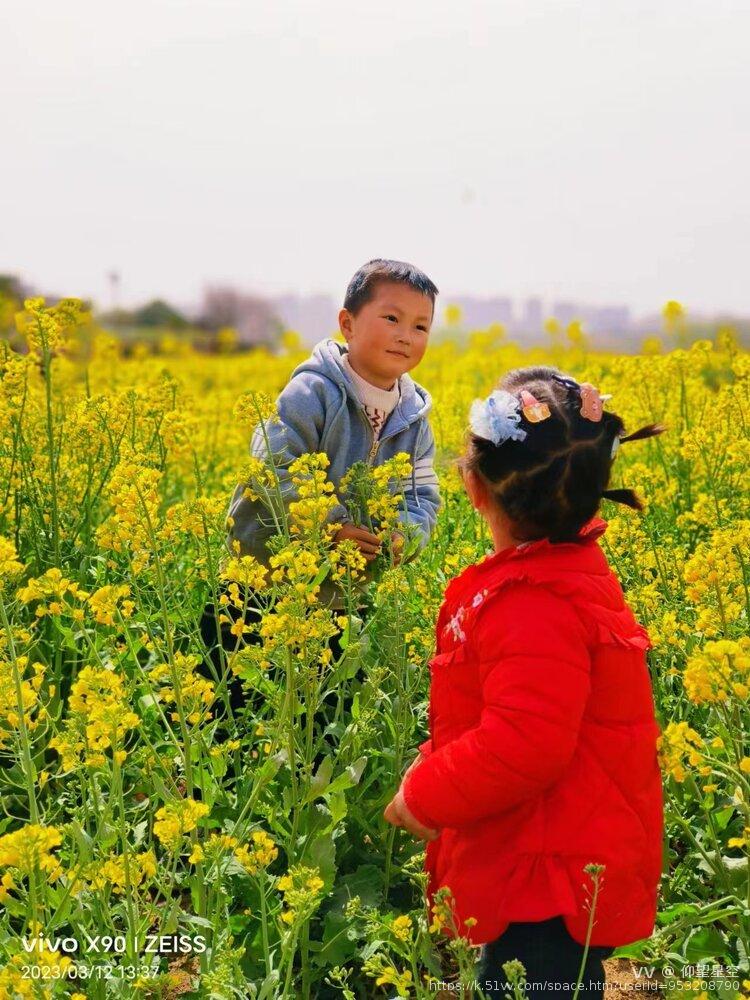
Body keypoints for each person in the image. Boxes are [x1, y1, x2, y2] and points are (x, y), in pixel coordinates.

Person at [384, 366, 665, 998]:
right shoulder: (569, 572)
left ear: (474, 487)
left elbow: (525, 742)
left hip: (550, 873)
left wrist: (426, 794)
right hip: (559, 849)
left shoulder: (531, 602)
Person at [199, 258, 442, 715]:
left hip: (340, 598)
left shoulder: (414, 420)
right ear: (347, 324)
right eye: (391, 318)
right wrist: (329, 527)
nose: (405, 335)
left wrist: (403, 536)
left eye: (420, 326)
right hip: (260, 586)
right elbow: (274, 465)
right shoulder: (311, 392)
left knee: (318, 717)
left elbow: (421, 496)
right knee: (228, 710)